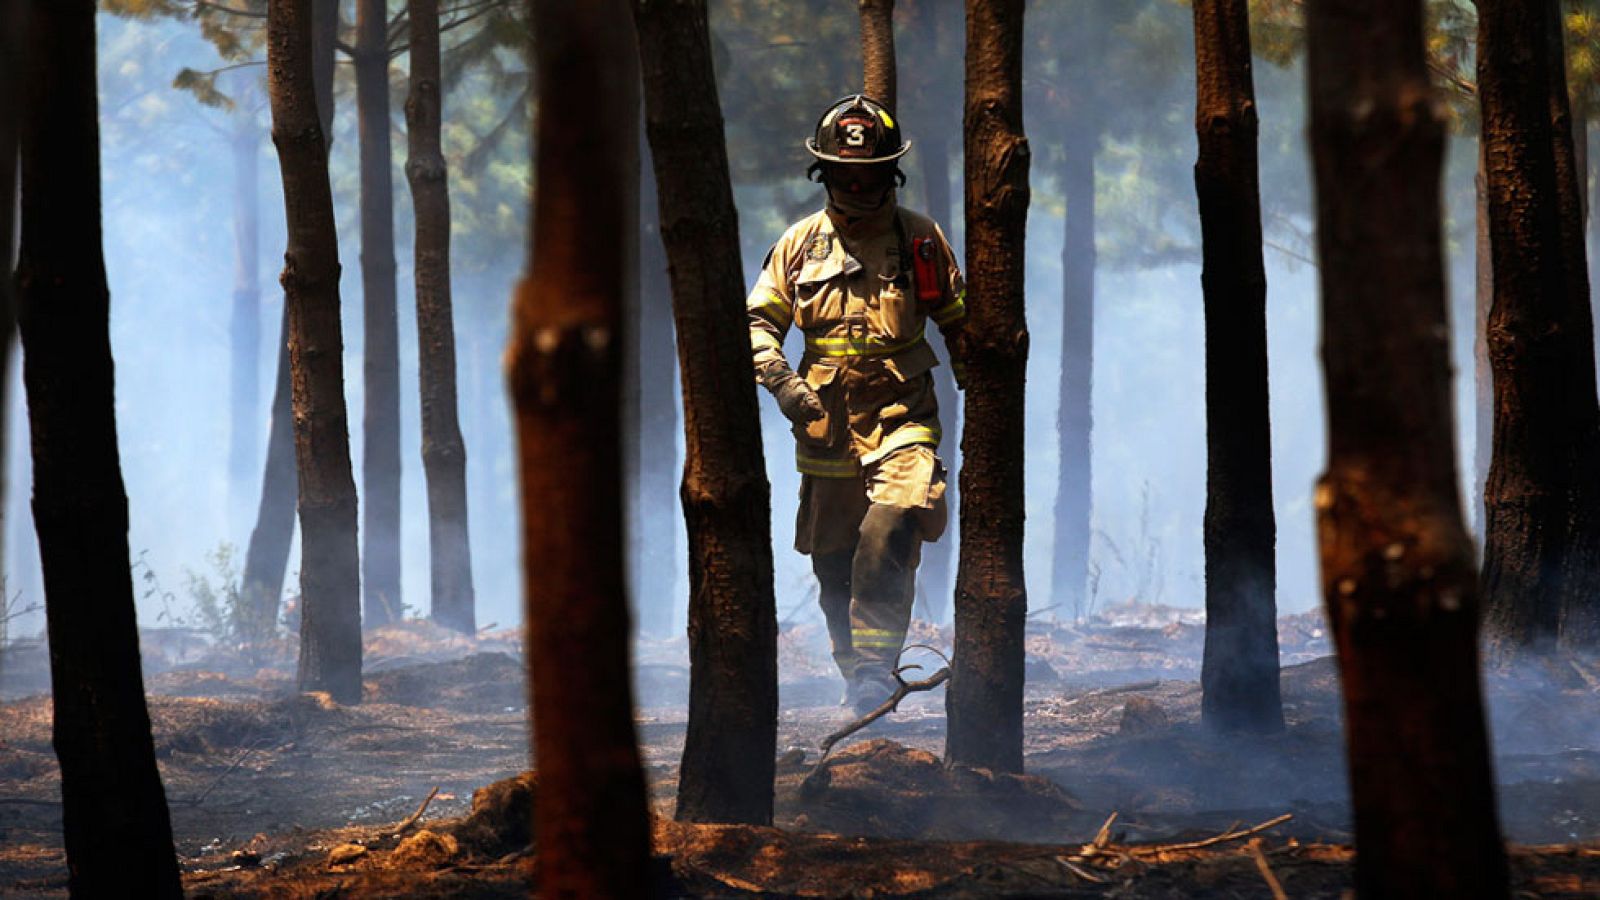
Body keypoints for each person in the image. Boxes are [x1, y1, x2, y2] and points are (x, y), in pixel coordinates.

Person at [746, 94, 967, 715]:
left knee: (887, 529)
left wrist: (987, 389)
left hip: (903, 417)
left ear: (890, 172)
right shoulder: (799, 244)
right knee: (833, 564)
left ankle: (875, 670)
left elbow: (960, 326)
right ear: (824, 173)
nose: (857, 185)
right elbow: (757, 325)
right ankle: (858, 674)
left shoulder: (920, 240)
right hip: (825, 425)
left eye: (870, 174)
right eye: (846, 174)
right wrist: (783, 385)